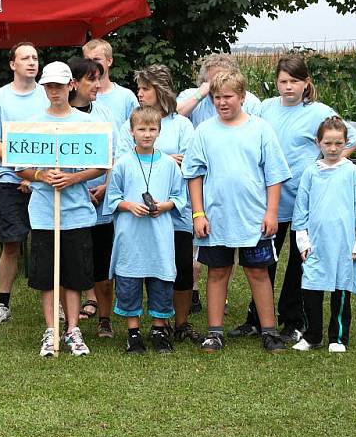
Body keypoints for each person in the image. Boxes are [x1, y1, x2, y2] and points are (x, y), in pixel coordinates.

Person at [231, 56, 356, 342]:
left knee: (299, 261)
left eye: (294, 81)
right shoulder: (265, 108)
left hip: (306, 202)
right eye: (283, 81)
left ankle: (293, 319)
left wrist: (332, 165)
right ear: (276, 82)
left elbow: (351, 137)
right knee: (264, 261)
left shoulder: (319, 111)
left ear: (306, 83)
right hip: (270, 200)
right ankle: (257, 318)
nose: (288, 87)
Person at [182, 69, 291, 354]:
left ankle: (269, 331)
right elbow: (193, 174)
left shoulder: (260, 129)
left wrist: (271, 213)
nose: (222, 102)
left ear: (242, 97)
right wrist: (198, 214)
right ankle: (215, 332)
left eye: (228, 96)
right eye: (217, 97)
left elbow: (275, 174)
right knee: (218, 272)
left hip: (253, 218)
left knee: (258, 272)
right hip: (216, 218)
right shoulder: (204, 131)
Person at [17, 61, 106, 357]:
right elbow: (21, 167)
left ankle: (73, 330)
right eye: (49, 86)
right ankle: (51, 330)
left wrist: (74, 178)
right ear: (43, 88)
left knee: (75, 274)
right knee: (46, 275)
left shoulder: (88, 124)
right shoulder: (31, 123)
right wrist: (41, 176)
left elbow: (101, 165)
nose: (54, 91)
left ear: (70, 86)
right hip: (44, 212)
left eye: (59, 85)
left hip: (77, 210)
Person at [176, 53, 261, 314]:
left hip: (234, 184)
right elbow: (172, 115)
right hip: (196, 180)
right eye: (212, 81)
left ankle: (221, 295)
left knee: (226, 243)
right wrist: (202, 94)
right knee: (196, 242)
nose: (219, 90)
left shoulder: (252, 103)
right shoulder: (192, 96)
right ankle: (192, 291)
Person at [128, 65, 200, 343]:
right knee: (147, 266)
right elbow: (127, 159)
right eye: (139, 89)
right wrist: (168, 157)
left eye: (145, 88)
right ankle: (157, 320)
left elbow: (190, 164)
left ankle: (181, 323)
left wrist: (161, 158)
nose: (140, 93)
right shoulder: (131, 122)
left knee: (180, 268)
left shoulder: (182, 125)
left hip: (175, 212)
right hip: (140, 213)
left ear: (160, 90)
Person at [291, 117, 356, 353]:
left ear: (345, 142)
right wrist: (302, 241)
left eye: (338, 143)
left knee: (341, 291)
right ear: (318, 142)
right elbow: (301, 209)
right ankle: (312, 335)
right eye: (328, 143)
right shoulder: (311, 172)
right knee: (311, 290)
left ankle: (338, 337)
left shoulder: (352, 173)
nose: (333, 148)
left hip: (343, 244)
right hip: (316, 244)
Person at [0, 41, 48, 324]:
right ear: (12, 64)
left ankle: (56, 303)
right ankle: (3, 303)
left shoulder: (49, 95)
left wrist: (36, 176)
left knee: (51, 241)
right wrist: (23, 172)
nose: (31, 62)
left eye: (35, 57)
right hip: (9, 182)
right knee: (10, 243)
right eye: (25, 58)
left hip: (45, 181)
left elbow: (56, 136)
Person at [105, 106, 185, 354]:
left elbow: (179, 196)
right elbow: (112, 197)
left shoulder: (169, 165)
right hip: (131, 236)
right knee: (130, 283)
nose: (147, 134)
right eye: (142, 129)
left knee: (160, 281)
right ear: (131, 131)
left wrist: (165, 205)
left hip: (159, 236)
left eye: (152, 129)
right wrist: (129, 205)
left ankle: (160, 330)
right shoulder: (123, 164)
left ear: (159, 131)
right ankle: (133, 332)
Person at [80, 38, 139, 320]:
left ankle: (109, 304)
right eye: (88, 61)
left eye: (98, 60)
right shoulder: (75, 101)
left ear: (110, 62)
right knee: (83, 246)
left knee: (108, 246)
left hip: (112, 184)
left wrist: (110, 184)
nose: (94, 66)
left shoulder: (125, 97)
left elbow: (128, 143)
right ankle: (90, 298)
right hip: (80, 186)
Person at [67, 57, 117, 338]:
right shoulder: (58, 115)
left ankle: (105, 318)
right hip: (71, 202)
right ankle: (69, 321)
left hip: (102, 201)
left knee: (102, 264)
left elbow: (115, 154)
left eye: (99, 78)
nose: (98, 85)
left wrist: (107, 185)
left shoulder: (105, 115)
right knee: (72, 261)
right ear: (74, 83)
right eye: (91, 80)